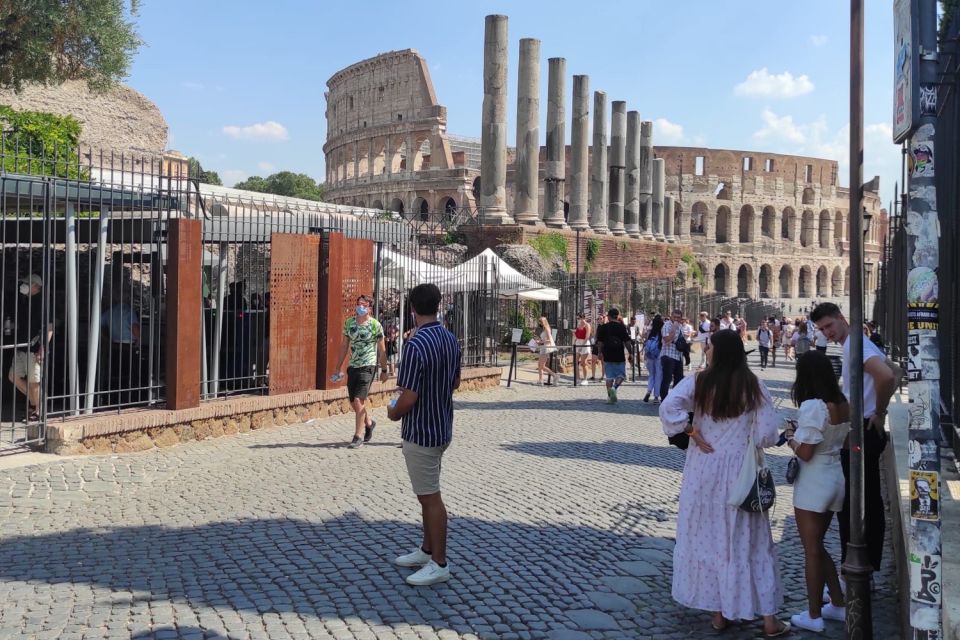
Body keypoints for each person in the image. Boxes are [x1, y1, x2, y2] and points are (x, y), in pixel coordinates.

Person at [659, 329, 789, 636]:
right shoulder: (753, 384)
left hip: (704, 469)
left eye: (709, 345)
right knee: (750, 541)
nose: (706, 349)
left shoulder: (700, 381)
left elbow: (668, 407)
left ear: (718, 351)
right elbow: (767, 435)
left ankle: (719, 613)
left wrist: (690, 431)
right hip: (742, 471)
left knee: (711, 538)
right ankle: (770, 619)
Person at [811, 302, 897, 573]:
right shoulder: (860, 343)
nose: (828, 332)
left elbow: (886, 375)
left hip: (863, 427)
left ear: (841, 318)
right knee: (864, 499)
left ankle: (860, 569)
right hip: (863, 425)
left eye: (829, 325)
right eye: (822, 329)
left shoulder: (854, 346)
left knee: (857, 503)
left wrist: (879, 411)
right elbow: (896, 372)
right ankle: (863, 566)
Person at [387, 283, 462, 586]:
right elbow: (455, 382)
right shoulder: (451, 339)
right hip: (442, 424)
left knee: (430, 498)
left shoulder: (415, 344)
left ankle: (440, 563)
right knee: (425, 493)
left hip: (421, 430)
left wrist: (393, 412)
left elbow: (408, 396)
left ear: (413, 309)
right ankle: (427, 549)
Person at [782, 351, 849, 632]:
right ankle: (836, 602)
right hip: (835, 477)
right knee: (818, 546)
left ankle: (813, 615)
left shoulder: (812, 406)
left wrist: (790, 439)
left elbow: (806, 453)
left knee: (810, 551)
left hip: (813, 481)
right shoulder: (844, 402)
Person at [335, 294, 389, 449]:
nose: (361, 307)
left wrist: (384, 370)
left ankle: (358, 436)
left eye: (364, 305)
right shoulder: (349, 324)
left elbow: (382, 349)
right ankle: (369, 423)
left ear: (370, 308)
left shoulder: (375, 325)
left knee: (359, 400)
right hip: (353, 365)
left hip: (368, 365)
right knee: (353, 401)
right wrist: (337, 366)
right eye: (359, 304)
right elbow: (344, 346)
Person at [7, 274, 51, 421]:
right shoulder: (26, 301)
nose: (23, 285)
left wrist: (43, 348)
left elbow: (49, 328)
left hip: (34, 347)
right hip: (21, 346)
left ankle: (38, 411)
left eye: (26, 283)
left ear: (35, 285)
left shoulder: (44, 303)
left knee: (34, 382)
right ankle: (35, 403)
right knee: (13, 376)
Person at [595, 308, 630, 403]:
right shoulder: (622, 327)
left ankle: (609, 397)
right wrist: (630, 352)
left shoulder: (603, 327)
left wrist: (599, 353)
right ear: (617, 316)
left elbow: (600, 342)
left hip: (607, 353)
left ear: (609, 316)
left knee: (609, 377)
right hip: (619, 353)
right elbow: (627, 341)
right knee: (621, 375)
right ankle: (614, 388)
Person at [659, 309, 685, 401]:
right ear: (671, 317)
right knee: (667, 379)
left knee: (679, 380)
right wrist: (674, 328)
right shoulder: (667, 325)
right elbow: (667, 339)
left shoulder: (681, 326)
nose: (676, 319)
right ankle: (664, 400)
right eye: (675, 317)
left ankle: (674, 400)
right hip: (668, 355)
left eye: (678, 317)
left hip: (678, 355)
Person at [642, 315, 663, 403]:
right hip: (659, 355)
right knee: (658, 376)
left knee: (651, 375)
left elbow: (645, 341)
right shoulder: (662, 332)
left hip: (650, 355)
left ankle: (649, 391)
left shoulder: (650, 332)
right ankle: (656, 397)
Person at [535, 317, 559, 386]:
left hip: (545, 348)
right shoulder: (544, 328)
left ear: (544, 322)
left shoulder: (547, 328)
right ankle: (541, 380)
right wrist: (540, 341)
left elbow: (549, 340)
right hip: (543, 347)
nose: (540, 323)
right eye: (539, 322)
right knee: (539, 365)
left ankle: (555, 375)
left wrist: (540, 341)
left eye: (541, 322)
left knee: (542, 366)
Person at [573, 313, 592, 386]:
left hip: (584, 343)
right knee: (576, 361)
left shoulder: (587, 325)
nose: (578, 320)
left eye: (578, 318)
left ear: (583, 318)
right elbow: (577, 335)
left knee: (583, 362)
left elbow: (587, 336)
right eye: (577, 318)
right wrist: (574, 334)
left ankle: (585, 379)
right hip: (578, 342)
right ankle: (578, 378)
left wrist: (582, 346)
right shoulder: (578, 325)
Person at [590, 314, 606, 381]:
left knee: (603, 362)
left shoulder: (606, 327)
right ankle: (593, 376)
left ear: (603, 319)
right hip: (596, 345)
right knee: (593, 360)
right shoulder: (598, 326)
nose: (599, 320)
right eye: (598, 319)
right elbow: (595, 335)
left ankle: (603, 376)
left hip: (603, 346)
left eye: (600, 318)